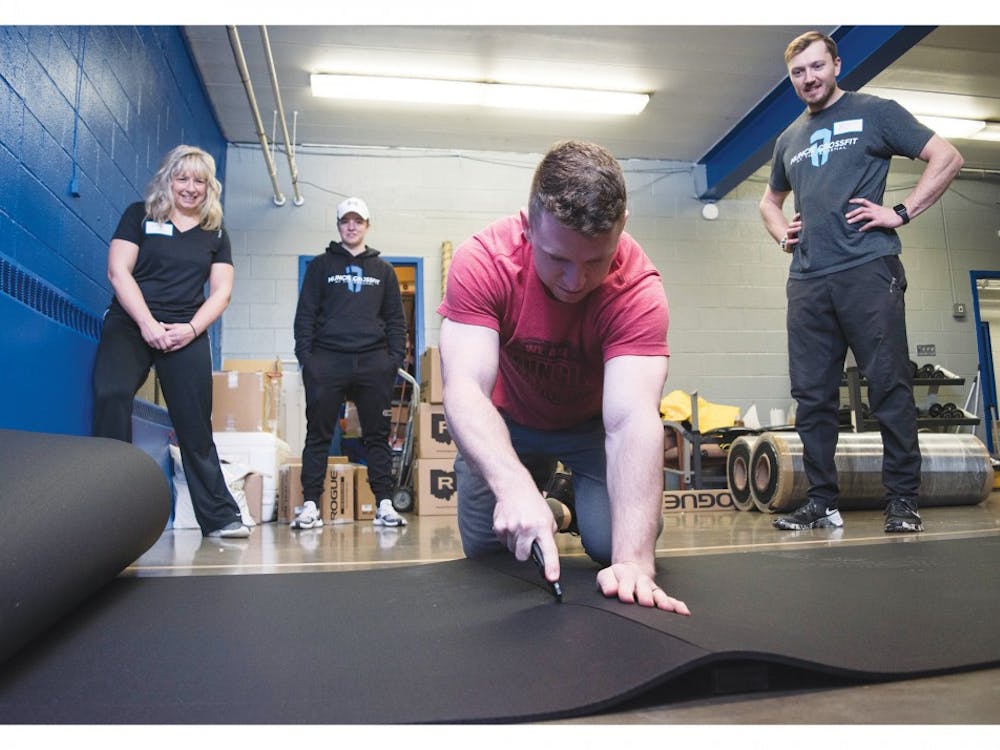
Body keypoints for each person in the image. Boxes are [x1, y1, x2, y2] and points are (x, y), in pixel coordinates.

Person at [437, 140, 689, 614]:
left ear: (622, 228)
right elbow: (465, 390)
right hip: (508, 422)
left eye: (595, 261)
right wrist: (514, 490)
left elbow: (632, 420)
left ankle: (567, 505)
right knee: (489, 550)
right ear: (529, 226)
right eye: (558, 259)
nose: (576, 281)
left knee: (613, 544)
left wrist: (635, 563)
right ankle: (546, 505)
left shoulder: (638, 290)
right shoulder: (483, 261)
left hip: (592, 427)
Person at [759, 31, 964, 533]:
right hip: (807, 280)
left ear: (836, 64)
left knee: (889, 387)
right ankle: (821, 502)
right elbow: (768, 201)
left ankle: (901, 501)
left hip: (868, 270)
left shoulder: (876, 111)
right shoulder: (789, 139)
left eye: (816, 66)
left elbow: (948, 157)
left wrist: (901, 212)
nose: (808, 78)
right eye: (798, 72)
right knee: (812, 397)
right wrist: (781, 231)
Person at [92, 145, 249, 538]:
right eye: (183, 178)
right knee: (111, 395)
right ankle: (106, 511)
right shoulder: (139, 216)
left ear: (210, 187)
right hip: (132, 323)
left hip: (185, 330)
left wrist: (192, 330)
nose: (190, 187)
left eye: (199, 180)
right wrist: (146, 323)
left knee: (195, 424)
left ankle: (220, 517)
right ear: (168, 179)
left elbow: (221, 292)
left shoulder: (215, 233)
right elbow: (118, 271)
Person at [293, 197, 408, 530]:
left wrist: (391, 361)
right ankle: (311, 505)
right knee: (318, 435)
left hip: (373, 363)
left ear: (367, 225)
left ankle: (384, 504)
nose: (352, 226)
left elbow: (395, 321)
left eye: (358, 221)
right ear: (339, 225)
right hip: (327, 361)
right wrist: (307, 360)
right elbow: (305, 316)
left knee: (377, 436)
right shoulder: (320, 266)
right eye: (346, 221)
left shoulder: (383, 270)